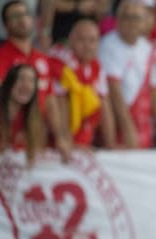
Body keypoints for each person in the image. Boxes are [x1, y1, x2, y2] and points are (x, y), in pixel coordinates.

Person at [98, 0, 156, 149]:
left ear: (145, 22)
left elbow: (155, 92)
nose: (131, 22)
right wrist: (128, 129)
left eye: (136, 18)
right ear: (117, 20)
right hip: (119, 125)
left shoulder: (146, 47)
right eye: (126, 17)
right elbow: (113, 90)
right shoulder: (108, 45)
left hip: (142, 123)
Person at [0, 0, 72, 161]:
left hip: (38, 141)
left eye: (26, 14)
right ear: (5, 25)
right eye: (15, 16)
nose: (22, 19)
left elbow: (51, 100)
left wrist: (60, 137)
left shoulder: (42, 59)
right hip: (7, 145)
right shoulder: (0, 58)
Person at [49, 18, 117, 149]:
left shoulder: (97, 66)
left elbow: (105, 105)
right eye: (81, 40)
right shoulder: (61, 63)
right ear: (70, 40)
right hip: (59, 145)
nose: (87, 45)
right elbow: (59, 104)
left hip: (85, 143)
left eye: (92, 40)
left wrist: (110, 144)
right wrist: (67, 143)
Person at [0, 64, 46, 164]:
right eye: (21, 79)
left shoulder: (33, 116)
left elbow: (33, 153)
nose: (26, 85)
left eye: (31, 81)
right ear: (9, 83)